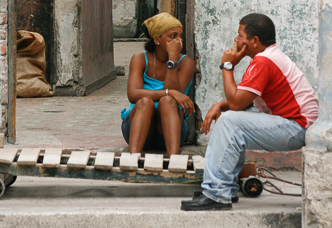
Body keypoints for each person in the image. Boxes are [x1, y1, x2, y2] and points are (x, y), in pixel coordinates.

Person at [181, 13, 318, 211]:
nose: (235, 40)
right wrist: (220, 105)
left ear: (255, 40)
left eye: (240, 35)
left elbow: (236, 104)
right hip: (290, 122)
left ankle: (217, 193)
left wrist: (227, 66)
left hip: (295, 127)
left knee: (230, 122)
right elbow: (243, 100)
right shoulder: (267, 57)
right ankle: (225, 188)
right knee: (231, 120)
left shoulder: (264, 61)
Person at [121, 13, 195, 158]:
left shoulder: (186, 63)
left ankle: (174, 161)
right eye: (173, 36)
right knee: (144, 102)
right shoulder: (140, 58)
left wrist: (172, 60)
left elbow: (173, 93)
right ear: (157, 40)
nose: (179, 41)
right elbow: (133, 95)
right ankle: (132, 160)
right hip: (137, 127)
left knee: (167, 102)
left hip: (171, 130)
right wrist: (169, 92)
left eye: (180, 36)